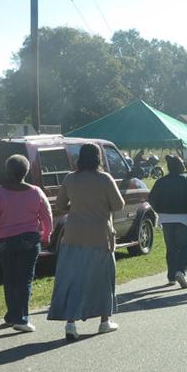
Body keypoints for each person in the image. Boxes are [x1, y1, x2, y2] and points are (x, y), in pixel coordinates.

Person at [47, 143, 124, 341]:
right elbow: (118, 204)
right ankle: (104, 321)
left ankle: (70, 323)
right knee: (103, 278)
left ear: (79, 158)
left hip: (73, 234)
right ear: (98, 158)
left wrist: (78, 205)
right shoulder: (104, 179)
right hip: (100, 234)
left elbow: (60, 205)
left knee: (73, 279)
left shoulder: (70, 178)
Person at [0, 154, 53, 333]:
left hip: (5, 240)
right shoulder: (36, 192)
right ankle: (21, 318)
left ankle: (13, 315)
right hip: (29, 239)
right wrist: (46, 234)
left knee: (10, 278)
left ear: (7, 171)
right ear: (26, 172)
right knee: (24, 279)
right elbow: (47, 214)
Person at [148, 155, 187, 289]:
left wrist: (159, 209)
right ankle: (181, 271)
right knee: (185, 246)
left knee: (171, 248)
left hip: (166, 218)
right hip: (184, 218)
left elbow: (151, 198)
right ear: (181, 166)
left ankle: (171, 276)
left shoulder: (161, 181)